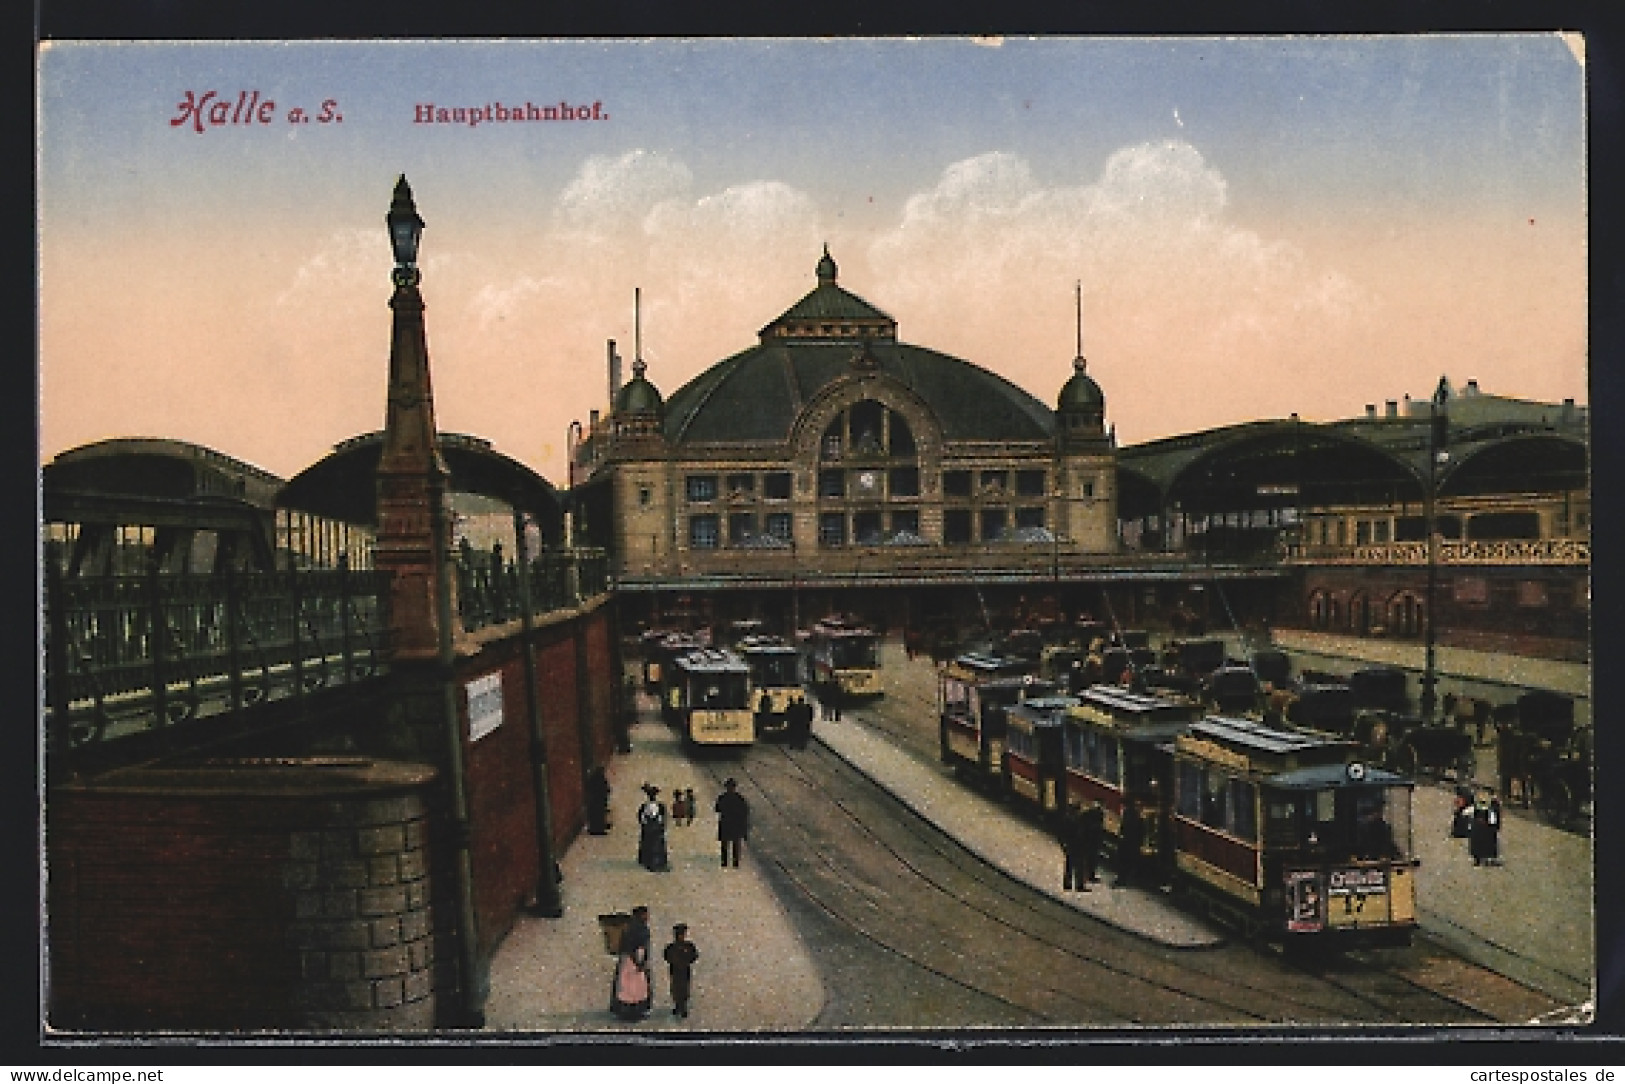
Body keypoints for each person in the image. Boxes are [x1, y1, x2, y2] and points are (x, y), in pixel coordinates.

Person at [610, 905, 654, 1021]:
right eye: (644, 914)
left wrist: (643, 960)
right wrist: (638, 962)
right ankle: (630, 1011)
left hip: (637, 957)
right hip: (631, 959)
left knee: (636, 986)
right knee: (630, 985)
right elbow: (629, 947)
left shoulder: (640, 927)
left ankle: (633, 1010)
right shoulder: (633, 929)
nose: (647, 917)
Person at [662, 923, 699, 1019]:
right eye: (679, 935)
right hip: (675, 970)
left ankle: (683, 1006)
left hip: (684, 970)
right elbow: (667, 956)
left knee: (684, 988)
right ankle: (678, 1005)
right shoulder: (671, 947)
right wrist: (675, 961)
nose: (681, 937)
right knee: (675, 988)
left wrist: (686, 961)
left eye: (682, 934)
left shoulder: (689, 946)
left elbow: (694, 956)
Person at [714, 777, 750, 868]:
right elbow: (745, 812)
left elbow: (717, 808)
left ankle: (727, 862)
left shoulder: (723, 797)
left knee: (728, 844)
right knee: (734, 844)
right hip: (734, 823)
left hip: (728, 823)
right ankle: (733, 862)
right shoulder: (739, 799)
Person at [637, 784, 670, 872]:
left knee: (656, 845)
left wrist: (660, 825)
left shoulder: (658, 806)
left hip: (655, 828)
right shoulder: (645, 806)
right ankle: (650, 863)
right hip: (651, 828)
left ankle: (658, 863)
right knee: (651, 845)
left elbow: (663, 818)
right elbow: (641, 817)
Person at [1061, 807, 1091, 892]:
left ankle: (1068, 884)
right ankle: (1078, 885)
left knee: (1070, 865)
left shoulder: (1070, 820)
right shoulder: (1072, 821)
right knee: (1078, 865)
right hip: (1075, 846)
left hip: (1073, 846)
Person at [1115, 803, 1144, 888]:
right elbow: (1140, 833)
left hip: (1126, 842)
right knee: (1126, 861)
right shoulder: (1139, 819)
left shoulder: (1128, 814)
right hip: (1131, 843)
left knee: (1123, 861)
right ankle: (1123, 879)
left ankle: (1121, 879)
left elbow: (1123, 826)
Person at [585, 766, 611, 836]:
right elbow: (605, 788)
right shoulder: (599, 779)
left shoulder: (594, 778)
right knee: (599, 814)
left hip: (597, 799)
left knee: (600, 813)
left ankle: (600, 827)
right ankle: (598, 829)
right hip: (597, 799)